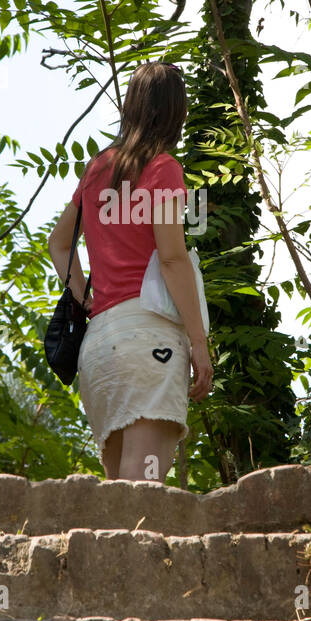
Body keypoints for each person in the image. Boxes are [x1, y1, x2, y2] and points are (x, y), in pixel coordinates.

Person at [47, 61, 213, 483]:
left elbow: (59, 243)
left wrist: (87, 299)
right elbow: (172, 259)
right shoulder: (163, 169)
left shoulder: (97, 168)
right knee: (143, 494)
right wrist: (198, 342)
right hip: (148, 341)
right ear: (177, 113)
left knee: (120, 493)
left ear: (130, 107)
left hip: (100, 347)